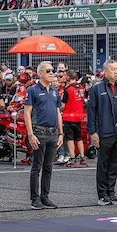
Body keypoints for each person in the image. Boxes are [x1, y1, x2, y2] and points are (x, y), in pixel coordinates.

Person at [87, 60, 117, 206]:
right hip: (104, 131)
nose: (116, 72)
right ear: (105, 71)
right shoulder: (97, 88)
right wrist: (93, 132)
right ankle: (102, 194)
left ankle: (111, 192)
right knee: (103, 163)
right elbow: (91, 111)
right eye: (113, 69)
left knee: (115, 163)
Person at [24, 61, 64, 210]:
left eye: (52, 70)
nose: (52, 73)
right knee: (37, 167)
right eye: (48, 71)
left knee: (48, 167)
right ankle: (35, 199)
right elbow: (27, 112)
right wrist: (30, 134)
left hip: (53, 133)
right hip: (39, 132)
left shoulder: (54, 91)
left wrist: (61, 133)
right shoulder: (33, 90)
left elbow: (58, 112)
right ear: (40, 73)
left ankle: (45, 197)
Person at [61, 69, 87, 166]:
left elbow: (63, 105)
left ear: (68, 77)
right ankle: (82, 158)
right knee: (79, 138)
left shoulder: (68, 89)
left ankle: (72, 159)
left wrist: (59, 109)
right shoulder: (81, 87)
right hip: (79, 116)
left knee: (70, 138)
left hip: (69, 117)